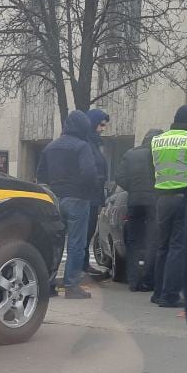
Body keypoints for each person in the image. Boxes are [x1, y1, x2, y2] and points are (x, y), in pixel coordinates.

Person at [37, 110, 103, 299]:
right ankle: (71, 286)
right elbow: (89, 174)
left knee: (54, 243)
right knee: (76, 244)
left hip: (54, 200)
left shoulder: (50, 147)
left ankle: (48, 284)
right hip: (77, 199)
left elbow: (40, 175)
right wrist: (90, 190)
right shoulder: (82, 147)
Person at [150, 105, 187, 308]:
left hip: (162, 199)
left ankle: (157, 293)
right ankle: (170, 295)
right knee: (178, 247)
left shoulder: (157, 140)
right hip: (184, 198)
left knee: (162, 247)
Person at [114, 128, 162, 292]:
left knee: (133, 242)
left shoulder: (130, 154)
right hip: (154, 202)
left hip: (134, 202)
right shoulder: (158, 155)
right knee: (152, 241)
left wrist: (133, 189)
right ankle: (149, 280)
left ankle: (133, 282)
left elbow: (119, 177)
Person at [84, 108, 111, 278]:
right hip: (87, 197)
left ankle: (84, 265)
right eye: (101, 125)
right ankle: (80, 267)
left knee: (87, 234)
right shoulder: (87, 144)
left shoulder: (93, 144)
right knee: (83, 235)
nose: (103, 129)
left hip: (93, 196)